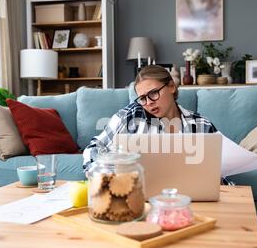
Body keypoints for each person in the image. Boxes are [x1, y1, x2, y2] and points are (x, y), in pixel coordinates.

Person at [82, 65, 221, 176]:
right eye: (143, 98)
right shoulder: (130, 116)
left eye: (153, 93)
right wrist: (109, 176)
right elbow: (93, 148)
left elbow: (219, 171)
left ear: (171, 86)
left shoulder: (201, 125)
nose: (148, 102)